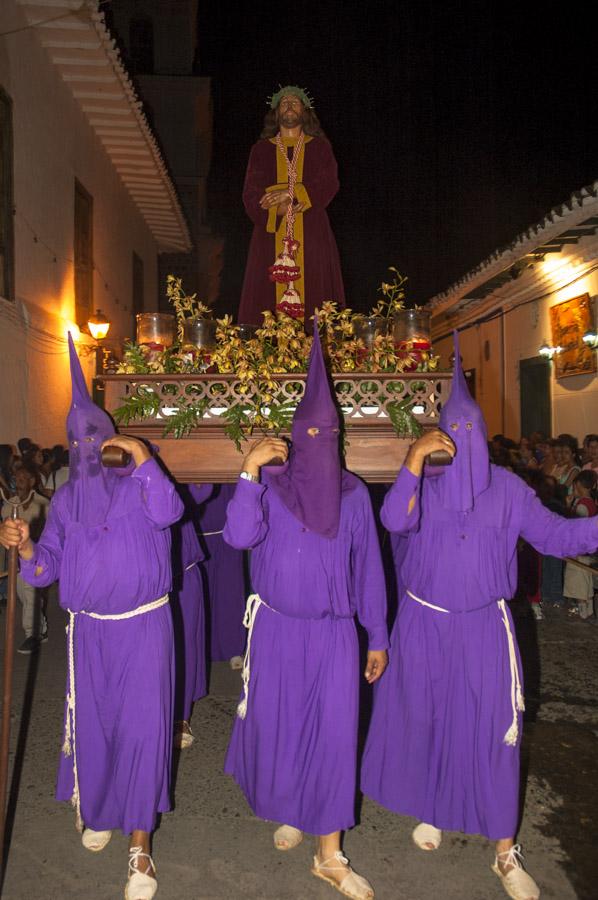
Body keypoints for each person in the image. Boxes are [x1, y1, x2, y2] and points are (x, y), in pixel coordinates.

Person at [361, 331, 598, 900]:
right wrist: (414, 460)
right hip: (422, 626)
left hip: (484, 629)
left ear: (484, 434)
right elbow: (394, 522)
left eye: (473, 431)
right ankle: (433, 807)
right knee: (430, 718)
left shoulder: (510, 489)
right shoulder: (424, 483)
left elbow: (556, 534)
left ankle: (504, 848)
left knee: (496, 731)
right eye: (453, 431)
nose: (463, 442)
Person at [0, 334, 183, 900]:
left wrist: (144, 457)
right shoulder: (65, 504)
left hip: (144, 630)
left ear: (111, 442)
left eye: (95, 440)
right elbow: (46, 568)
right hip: (88, 636)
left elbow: (172, 512)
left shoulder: (144, 488)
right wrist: (28, 548)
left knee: (142, 732)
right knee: (96, 729)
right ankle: (99, 810)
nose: (86, 451)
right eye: (77, 442)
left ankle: (141, 848)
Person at [223, 323, 388, 899]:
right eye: (307, 436)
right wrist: (247, 471)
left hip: (334, 635)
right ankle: (295, 805)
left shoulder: (354, 496)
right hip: (274, 631)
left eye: (328, 437)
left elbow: (369, 569)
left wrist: (378, 636)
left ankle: (330, 853)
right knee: (284, 727)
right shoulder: (268, 487)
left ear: (338, 441)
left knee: (334, 735)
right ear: (294, 439)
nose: (318, 446)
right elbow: (239, 538)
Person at [237, 86, 345, 326]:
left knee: (316, 291)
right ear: (275, 113)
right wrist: (276, 205)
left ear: (305, 112)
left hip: (311, 231)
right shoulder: (261, 150)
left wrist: (291, 194)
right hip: (271, 233)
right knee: (265, 300)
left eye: (295, 102)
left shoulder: (320, 147)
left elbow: (329, 183)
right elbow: (250, 193)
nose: (289, 105)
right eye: (284, 102)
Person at [171, 483, 212, 748]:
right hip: (140, 574)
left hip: (181, 573)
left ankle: (180, 716)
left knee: (183, 646)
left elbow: (202, 487)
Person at [1, 463, 49, 653]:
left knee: (30, 594)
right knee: (25, 596)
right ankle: (42, 628)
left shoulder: (43, 504)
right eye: (17, 479)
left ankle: (33, 634)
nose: (18, 483)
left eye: (22, 479)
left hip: (35, 557)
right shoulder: (9, 504)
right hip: (16, 562)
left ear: (32, 481)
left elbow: (50, 534)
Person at [197, 483, 247, 668]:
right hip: (193, 527)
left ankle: (231, 647)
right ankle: (199, 649)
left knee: (229, 592)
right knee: (197, 595)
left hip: (223, 528)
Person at [563, 470, 598, 619]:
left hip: (580, 550)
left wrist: (567, 506)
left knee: (578, 583)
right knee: (586, 581)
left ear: (578, 485)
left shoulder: (582, 505)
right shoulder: (591, 503)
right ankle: (588, 611)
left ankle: (583, 613)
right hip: (588, 549)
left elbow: (578, 528)